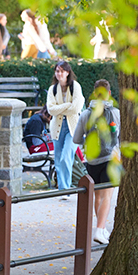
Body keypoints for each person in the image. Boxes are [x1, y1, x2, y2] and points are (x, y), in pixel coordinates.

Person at [72, 80, 120, 244]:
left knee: (97, 195)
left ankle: (101, 228)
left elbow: (76, 139)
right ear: (109, 93)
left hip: (92, 161)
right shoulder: (115, 113)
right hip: (110, 159)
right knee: (107, 195)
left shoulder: (86, 114)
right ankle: (99, 230)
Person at [46, 61, 85, 197]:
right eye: (57, 71)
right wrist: (67, 105)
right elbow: (51, 109)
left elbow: (76, 108)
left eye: (62, 71)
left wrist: (61, 108)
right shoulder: (53, 89)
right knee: (58, 159)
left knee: (66, 156)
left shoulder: (75, 87)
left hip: (72, 128)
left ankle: (66, 189)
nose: (59, 74)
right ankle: (62, 190)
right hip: (57, 128)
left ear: (68, 72)